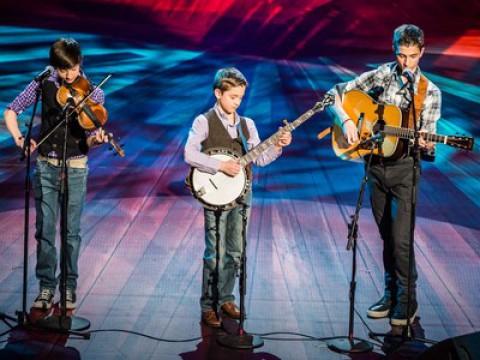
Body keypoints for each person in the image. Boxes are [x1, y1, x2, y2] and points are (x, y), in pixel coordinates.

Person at [328, 24, 441, 326]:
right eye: (402, 55)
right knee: (385, 235)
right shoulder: (381, 74)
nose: (406, 63)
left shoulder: (429, 92)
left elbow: (427, 141)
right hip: (376, 168)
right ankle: (390, 294)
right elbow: (334, 95)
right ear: (394, 51)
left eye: (413, 56)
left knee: (401, 239)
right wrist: (348, 121)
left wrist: (426, 142)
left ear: (422, 53)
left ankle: (408, 301)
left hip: (406, 171)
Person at [4, 38, 108, 311]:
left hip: (75, 166)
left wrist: (95, 140)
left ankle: (68, 286)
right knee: (45, 231)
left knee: (71, 232)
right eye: (62, 70)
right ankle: (47, 287)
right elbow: (12, 109)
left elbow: (86, 140)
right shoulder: (43, 83)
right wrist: (19, 138)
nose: (68, 76)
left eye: (72, 69)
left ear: (79, 64)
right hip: (46, 165)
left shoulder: (93, 93)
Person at [184, 67, 292, 327]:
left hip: (243, 194)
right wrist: (219, 165)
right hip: (216, 196)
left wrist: (277, 144)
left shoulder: (247, 125)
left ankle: (226, 298)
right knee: (215, 252)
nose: (237, 102)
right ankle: (208, 305)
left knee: (235, 251)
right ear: (218, 93)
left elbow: (261, 158)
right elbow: (189, 154)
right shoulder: (204, 121)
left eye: (240, 97)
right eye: (232, 96)